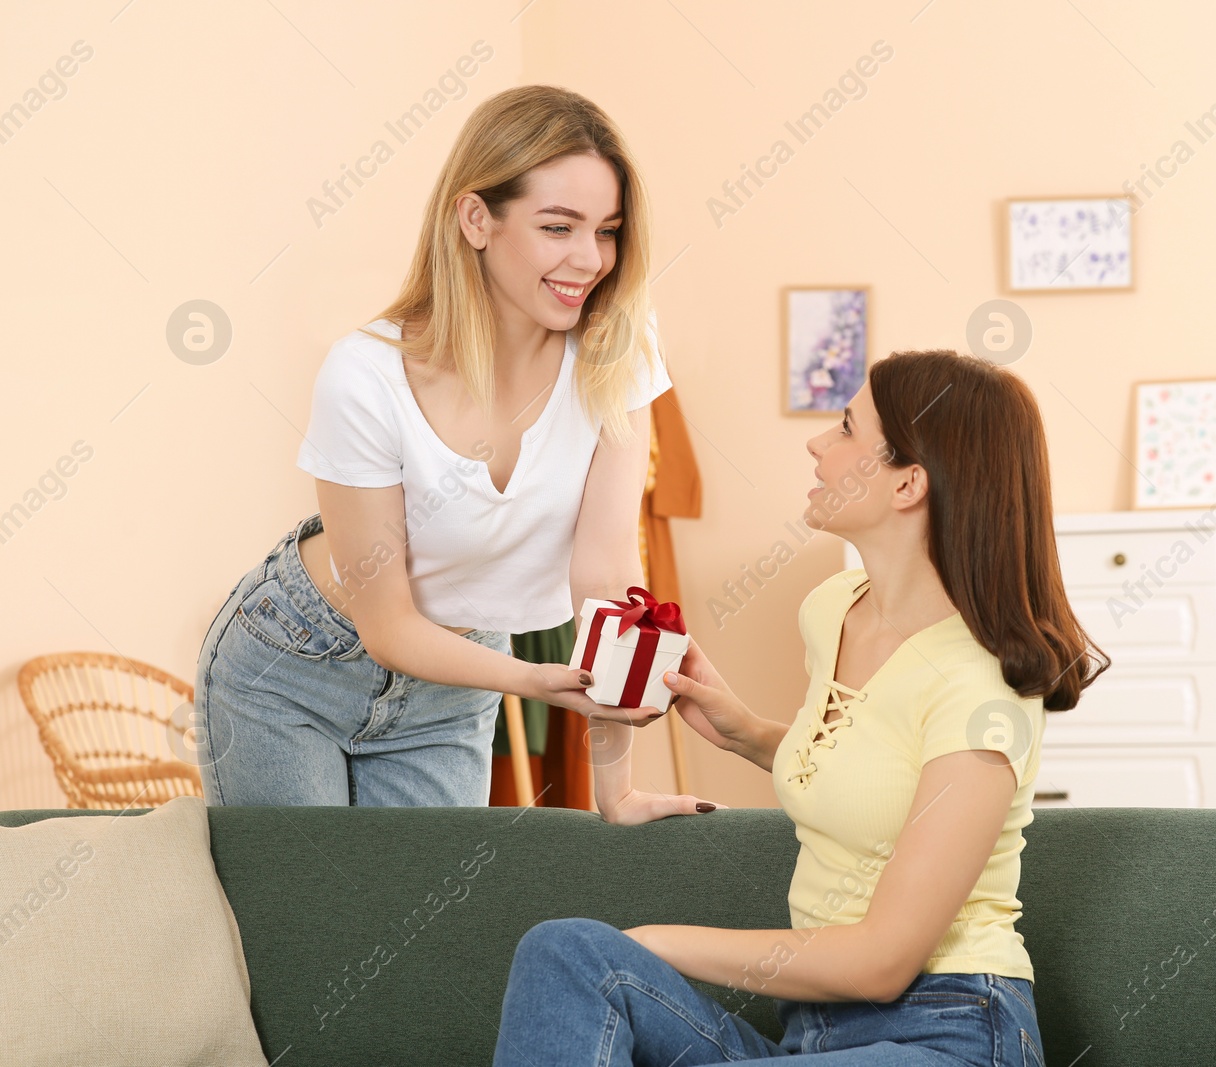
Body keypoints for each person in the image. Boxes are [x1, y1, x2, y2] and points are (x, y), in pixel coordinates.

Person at [493, 349, 1110, 1065]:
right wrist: (746, 732)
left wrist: (650, 942)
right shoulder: (834, 611)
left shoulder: (983, 689)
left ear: (909, 481)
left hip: (951, 1030)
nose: (818, 443)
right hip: (812, 1039)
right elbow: (874, 767)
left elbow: (882, 960)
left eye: (846, 428)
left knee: (615, 954)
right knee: (565, 951)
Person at [193, 85, 722, 820]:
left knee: (425, 932)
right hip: (293, 668)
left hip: (456, 676)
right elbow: (388, 627)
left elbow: (606, 576)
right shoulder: (367, 373)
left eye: (606, 230)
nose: (590, 258)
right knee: (311, 925)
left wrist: (616, 788)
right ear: (476, 218)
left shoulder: (618, 348)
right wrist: (536, 679)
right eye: (558, 226)